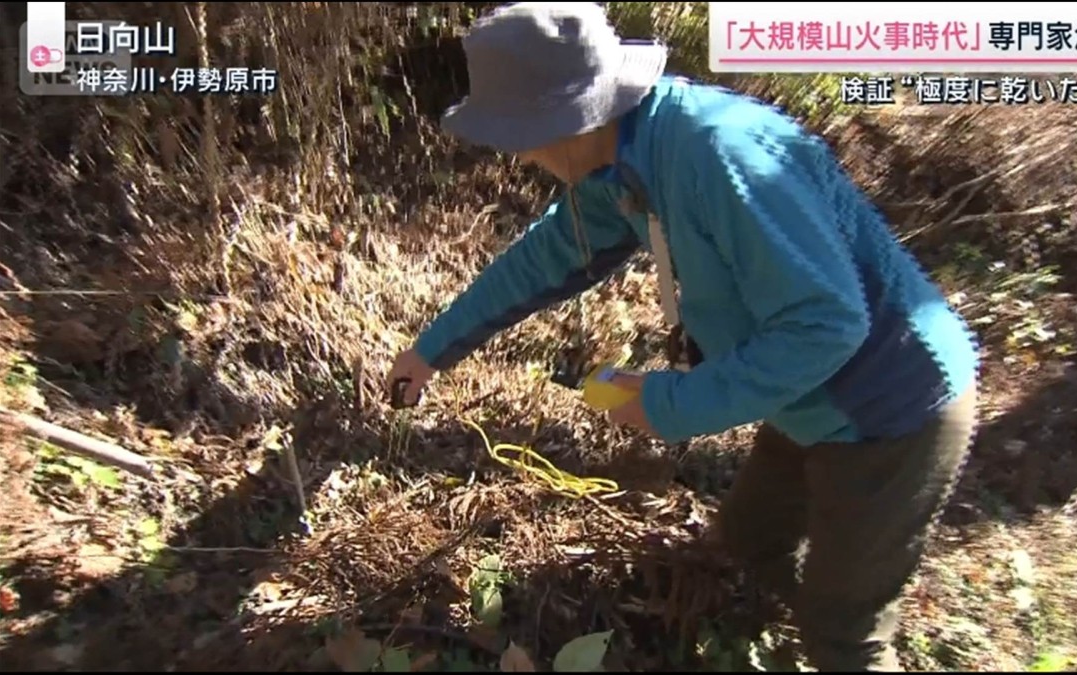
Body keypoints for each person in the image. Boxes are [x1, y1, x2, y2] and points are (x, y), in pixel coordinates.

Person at [385, 2, 980, 671]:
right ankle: (820, 606)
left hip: (892, 410)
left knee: (845, 631)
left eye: (510, 132)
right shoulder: (621, 160)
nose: (514, 152)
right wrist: (432, 348)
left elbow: (828, 323)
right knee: (752, 537)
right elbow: (547, 257)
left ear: (556, 119)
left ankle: (842, 621)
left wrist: (668, 403)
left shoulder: (715, 154)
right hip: (810, 400)